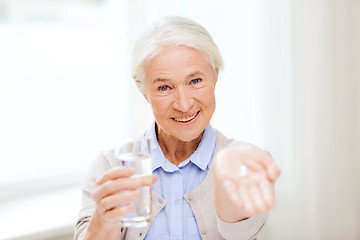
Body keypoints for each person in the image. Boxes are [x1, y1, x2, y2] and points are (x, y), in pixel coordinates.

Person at [74, 16, 281, 240]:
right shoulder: (111, 166)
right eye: (164, 87)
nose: (183, 104)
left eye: (195, 81)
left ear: (215, 76)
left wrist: (233, 201)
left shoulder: (243, 164)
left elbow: (243, 233)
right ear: (144, 91)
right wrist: (105, 218)